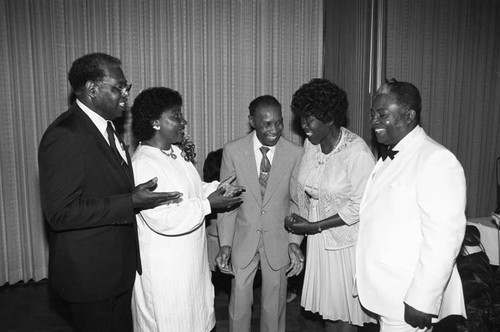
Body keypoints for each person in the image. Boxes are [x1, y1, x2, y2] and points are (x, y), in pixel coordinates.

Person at [38, 53, 181, 332]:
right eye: (119, 88)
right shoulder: (65, 135)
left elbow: (105, 184)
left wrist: (133, 193)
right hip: (90, 277)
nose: (126, 94)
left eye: (127, 87)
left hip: (116, 270)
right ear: (92, 89)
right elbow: (61, 214)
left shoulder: (108, 127)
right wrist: (129, 201)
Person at [356, 78, 467, 331]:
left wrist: (423, 299)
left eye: (382, 114)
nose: (373, 121)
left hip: (408, 297)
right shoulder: (392, 155)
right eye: (373, 114)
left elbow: (443, 238)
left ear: (409, 115)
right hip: (387, 293)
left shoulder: (436, 159)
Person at [130, 87, 244, 332]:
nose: (183, 122)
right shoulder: (144, 163)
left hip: (190, 264)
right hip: (167, 271)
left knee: (195, 321)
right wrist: (208, 205)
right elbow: (163, 218)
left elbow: (191, 188)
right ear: (155, 123)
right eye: (176, 116)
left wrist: (220, 188)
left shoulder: (175, 154)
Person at [285, 78, 377, 332]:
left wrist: (315, 226)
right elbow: (307, 193)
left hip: (346, 244)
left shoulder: (356, 152)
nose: (303, 126)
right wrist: (296, 229)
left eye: (310, 119)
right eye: (301, 118)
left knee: (346, 316)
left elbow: (361, 205)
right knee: (330, 313)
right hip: (319, 243)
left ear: (329, 118)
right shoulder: (311, 145)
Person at [215, 95, 305, 332]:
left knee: (274, 307)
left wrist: (295, 241)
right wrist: (225, 244)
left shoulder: (295, 153)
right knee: (240, 304)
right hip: (243, 239)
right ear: (252, 121)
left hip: (279, 240)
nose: (274, 129)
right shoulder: (233, 151)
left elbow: (297, 202)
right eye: (267, 123)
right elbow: (227, 202)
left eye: (279, 122)